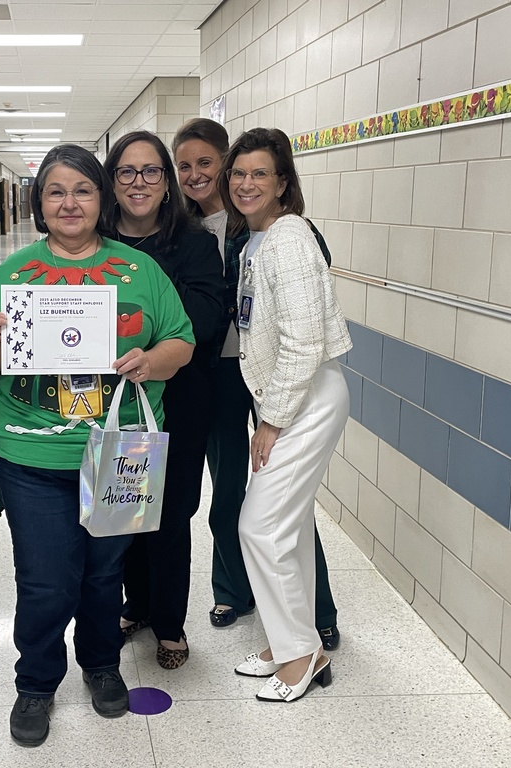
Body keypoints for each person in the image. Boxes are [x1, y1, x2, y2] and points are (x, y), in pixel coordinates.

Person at [0, 144, 194, 747]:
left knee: (103, 574)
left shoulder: (139, 270)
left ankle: (100, 665)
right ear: (40, 203)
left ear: (102, 199)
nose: (70, 203)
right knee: (45, 580)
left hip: (119, 450)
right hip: (32, 454)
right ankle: (36, 682)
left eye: (83, 190)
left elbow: (182, 341)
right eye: (56, 192)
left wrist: (148, 361)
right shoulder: (12, 276)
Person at [173, 118, 342, 651]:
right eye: (185, 165)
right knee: (229, 491)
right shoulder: (181, 229)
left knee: (282, 497)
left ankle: (317, 611)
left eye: (208, 163)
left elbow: (306, 299)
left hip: (276, 375)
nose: (197, 174)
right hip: (220, 373)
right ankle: (233, 590)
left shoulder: (276, 226)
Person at [219, 127, 352, 703]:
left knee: (259, 525)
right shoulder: (256, 239)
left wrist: (270, 420)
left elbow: (303, 342)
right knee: (290, 526)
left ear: (283, 184)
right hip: (288, 395)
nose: (246, 184)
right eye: (239, 174)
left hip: (306, 397)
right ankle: (287, 636)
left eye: (260, 174)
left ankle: (301, 655)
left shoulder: (290, 236)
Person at [103, 131, 224, 670]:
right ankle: (139, 604)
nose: (139, 183)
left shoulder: (193, 242)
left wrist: (145, 345)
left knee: (171, 512)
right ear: (112, 181)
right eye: (127, 172)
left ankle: (170, 623)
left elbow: (202, 319)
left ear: (167, 182)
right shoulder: (98, 241)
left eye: (151, 171)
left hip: (179, 397)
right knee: (127, 506)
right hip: (117, 400)